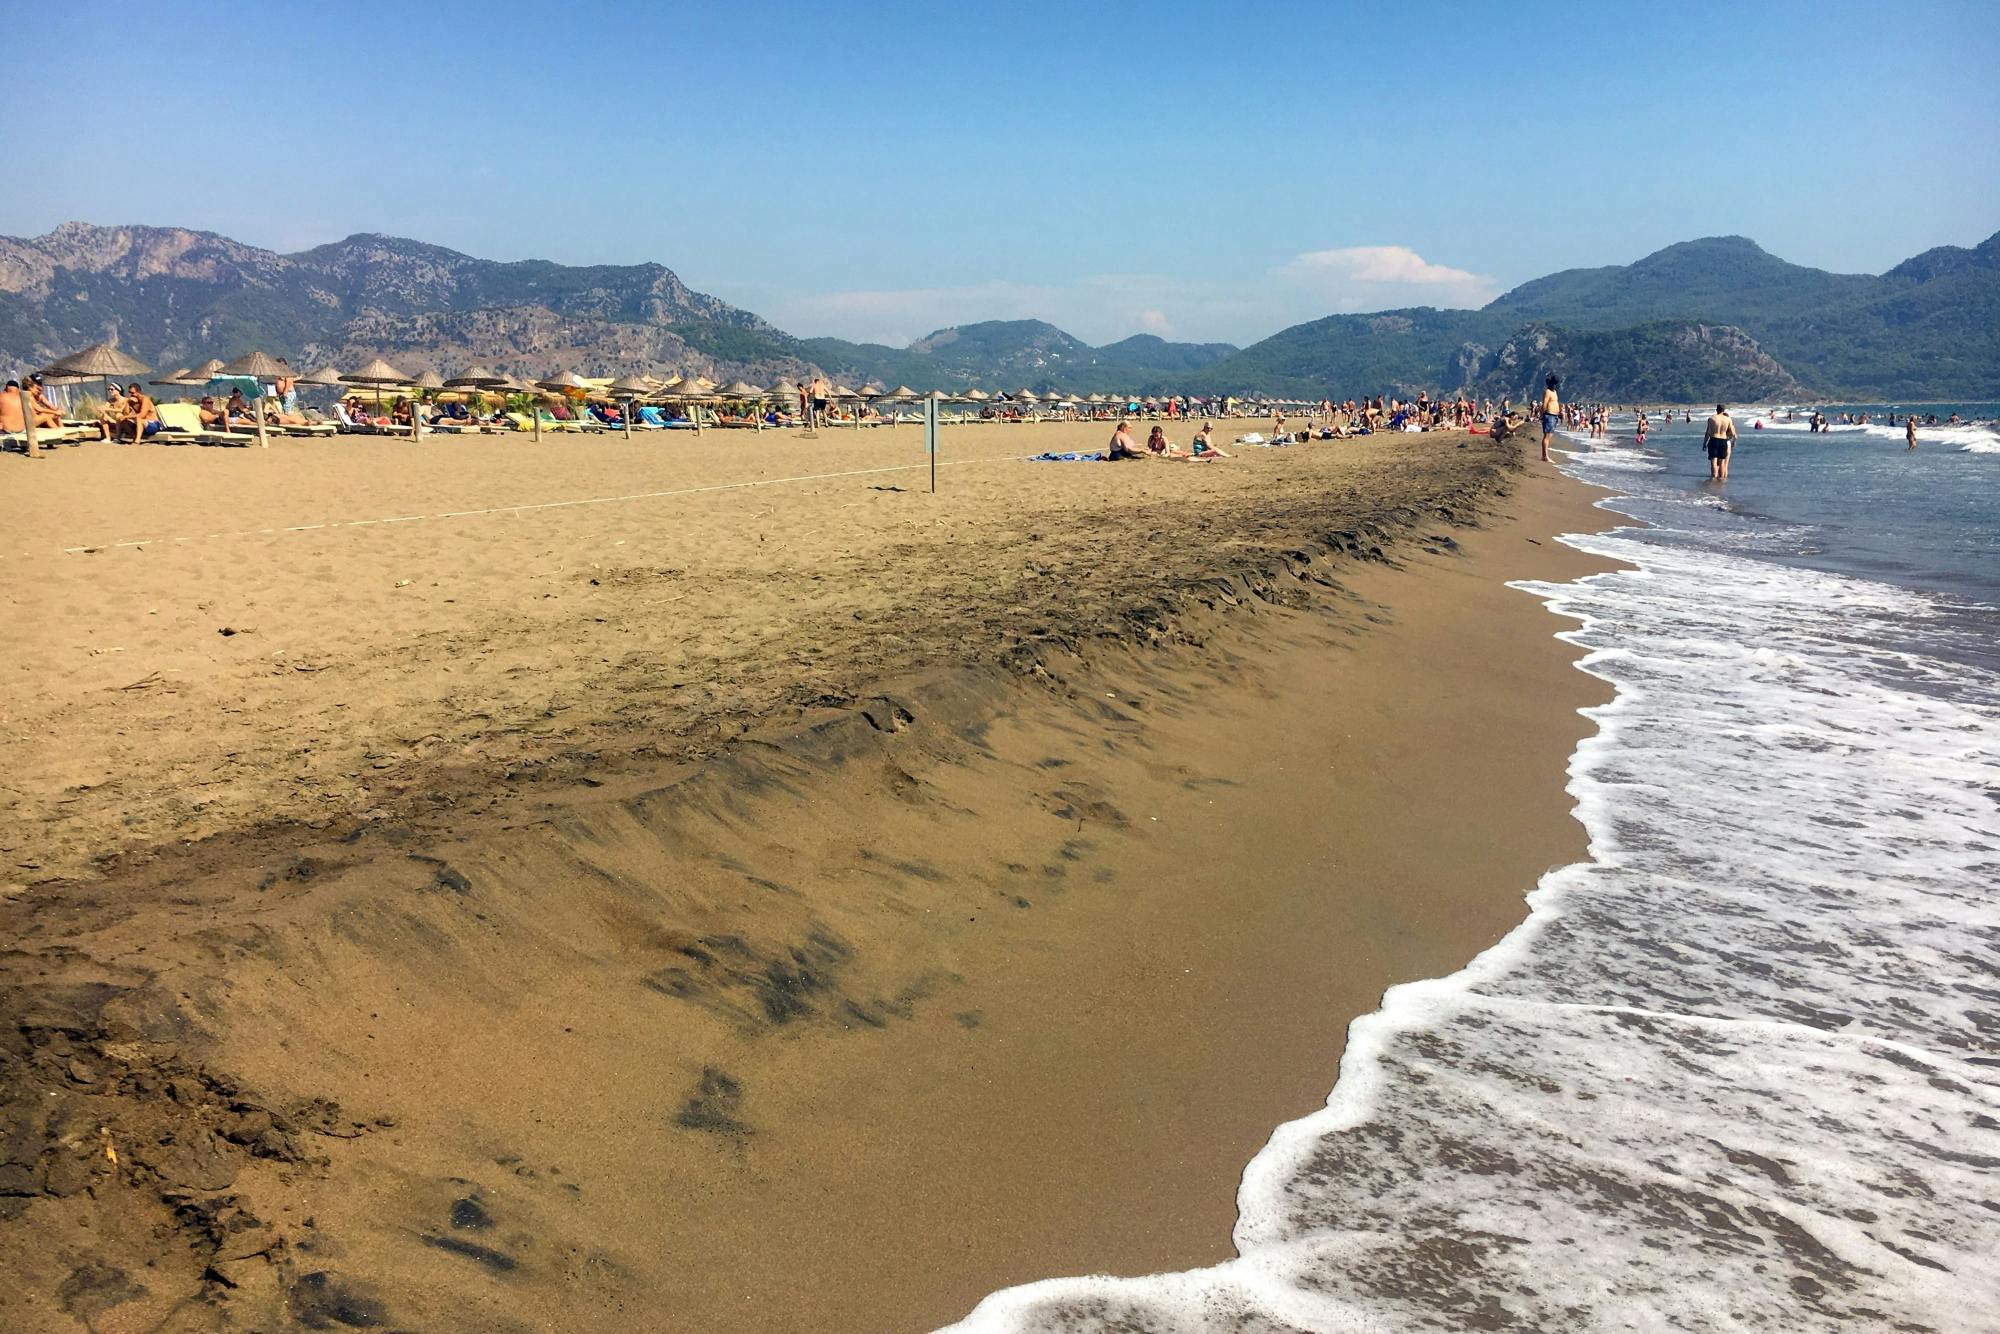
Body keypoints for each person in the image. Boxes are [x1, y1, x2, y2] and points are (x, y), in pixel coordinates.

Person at [1702, 403, 1737, 480]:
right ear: (1724, 410)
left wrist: (1704, 443)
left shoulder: (1712, 419)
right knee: (1722, 462)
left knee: (1714, 461)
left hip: (1714, 439)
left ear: (1716, 409)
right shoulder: (1728, 419)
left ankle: (1713, 479)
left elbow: (1708, 432)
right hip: (1723, 441)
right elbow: (1733, 433)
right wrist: (1733, 442)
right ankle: (1722, 480)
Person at [1539, 374, 1561, 462]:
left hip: (1554, 415)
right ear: (1550, 383)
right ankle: (1545, 456)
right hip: (1549, 415)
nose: (1554, 385)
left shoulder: (1554, 392)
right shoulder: (1547, 391)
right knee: (1547, 436)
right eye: (1553, 384)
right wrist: (1541, 415)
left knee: (1550, 435)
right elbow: (1544, 404)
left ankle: (1545, 455)